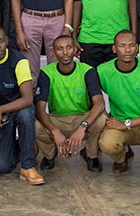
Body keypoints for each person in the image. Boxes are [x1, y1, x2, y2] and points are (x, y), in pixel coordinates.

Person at [0, 26, 43, 185]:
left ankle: (28, 167)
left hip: (18, 107)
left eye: (0, 41)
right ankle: (27, 146)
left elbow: (27, 99)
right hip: (3, 115)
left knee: (26, 114)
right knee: (5, 166)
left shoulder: (19, 61)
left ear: (6, 41)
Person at [97, 30, 140, 175]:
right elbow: (92, 100)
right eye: (122, 46)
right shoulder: (102, 71)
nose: (127, 50)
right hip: (119, 122)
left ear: (137, 48)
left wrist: (128, 123)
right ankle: (121, 159)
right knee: (107, 144)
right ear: (114, 48)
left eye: (131, 45)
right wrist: (107, 118)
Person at [35, 35, 106, 172]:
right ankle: (50, 155)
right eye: (60, 49)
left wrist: (82, 127)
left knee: (101, 118)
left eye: (69, 47)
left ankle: (91, 155)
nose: (65, 52)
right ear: (53, 53)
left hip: (82, 117)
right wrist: (55, 131)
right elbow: (40, 109)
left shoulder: (87, 70)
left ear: (75, 50)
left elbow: (100, 104)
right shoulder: (46, 73)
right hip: (58, 119)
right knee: (34, 124)